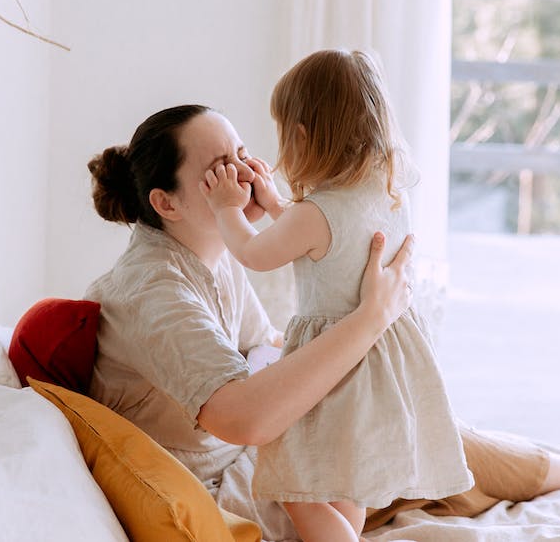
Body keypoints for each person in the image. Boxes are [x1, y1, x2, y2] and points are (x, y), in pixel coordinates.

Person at [85, 103, 560, 542]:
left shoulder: (212, 257)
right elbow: (245, 417)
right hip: (234, 488)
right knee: (428, 447)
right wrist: (371, 317)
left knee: (425, 431)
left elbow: (264, 349)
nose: (245, 175)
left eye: (244, 154)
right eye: (219, 169)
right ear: (165, 203)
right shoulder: (153, 290)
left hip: (260, 459)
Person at [197, 49, 471, 542]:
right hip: (383, 358)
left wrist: (226, 209)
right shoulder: (388, 191)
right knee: (348, 479)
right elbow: (330, 246)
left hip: (334, 363)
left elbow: (256, 253)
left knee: (293, 480)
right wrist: (278, 204)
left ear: (301, 136)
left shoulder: (313, 215)